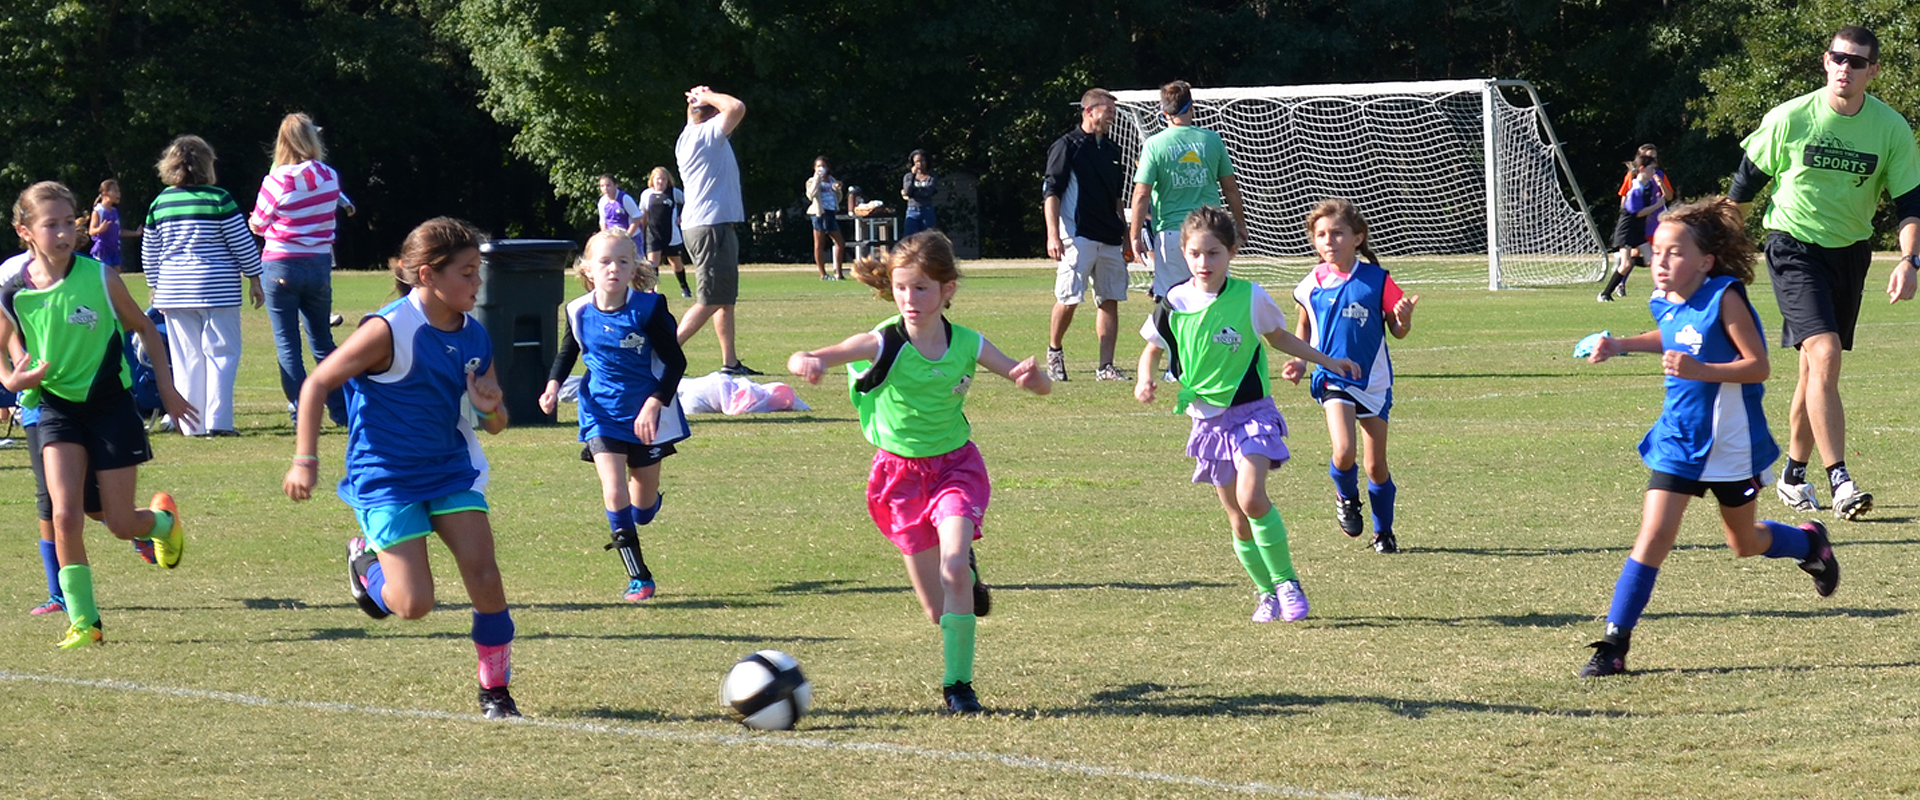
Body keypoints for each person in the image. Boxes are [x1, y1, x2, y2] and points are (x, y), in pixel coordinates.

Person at [786, 231, 1051, 714]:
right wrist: (806, 361)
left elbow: (1031, 381)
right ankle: (965, 576)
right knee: (938, 610)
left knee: (952, 571)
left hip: (955, 468)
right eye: (903, 287)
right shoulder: (882, 341)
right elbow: (814, 355)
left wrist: (1032, 378)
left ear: (948, 290)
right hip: (899, 479)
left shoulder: (968, 342)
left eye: (923, 288)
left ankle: (959, 687)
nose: (910, 299)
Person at [1576, 198, 1840, 678]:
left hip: (1732, 447)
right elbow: (1671, 333)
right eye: (1656, 252)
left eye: (1674, 253)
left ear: (1706, 261)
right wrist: (1621, 344)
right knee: (1652, 537)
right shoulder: (1664, 299)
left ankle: (1809, 545)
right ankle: (1613, 645)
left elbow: (1757, 365)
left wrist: (1702, 370)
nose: (1660, 262)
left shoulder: (1725, 297)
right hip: (1679, 441)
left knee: (1743, 542)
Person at [282, 217, 521, 719]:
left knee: (485, 575)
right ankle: (365, 565)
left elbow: (496, 422)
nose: (477, 284)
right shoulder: (388, 329)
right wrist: (305, 459)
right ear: (427, 276)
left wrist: (491, 407)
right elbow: (316, 384)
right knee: (414, 605)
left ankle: (495, 692)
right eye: (467, 273)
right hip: (386, 478)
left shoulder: (475, 335)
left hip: (452, 469)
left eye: (478, 272)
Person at [1730, 25, 1920, 521]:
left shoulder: (1891, 128)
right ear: (1825, 61)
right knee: (1825, 351)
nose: (1845, 68)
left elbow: (1909, 206)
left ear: (1873, 71)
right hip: (1794, 247)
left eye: (1857, 62)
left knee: (1814, 370)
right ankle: (1841, 479)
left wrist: (1909, 260)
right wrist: (1716, 254)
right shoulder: (1791, 117)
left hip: (1850, 252)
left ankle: (1793, 475)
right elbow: (1743, 189)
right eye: (1838, 58)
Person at [1133, 206, 1359, 624]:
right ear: (1184, 253)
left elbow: (1279, 337)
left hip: (1252, 413)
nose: (1205, 263)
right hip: (1207, 423)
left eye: (1214, 253)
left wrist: (1328, 360)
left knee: (1252, 498)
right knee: (1238, 520)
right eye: (1197, 254)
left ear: (1232, 253)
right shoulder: (1174, 302)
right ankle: (1265, 592)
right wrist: (1144, 379)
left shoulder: (1250, 297)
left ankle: (1288, 582)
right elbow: (1152, 348)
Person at [0, 181, 194, 648]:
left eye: (70, 222)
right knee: (64, 515)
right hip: (54, 408)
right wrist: (12, 378)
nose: (65, 233)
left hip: (109, 406)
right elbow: (6, 342)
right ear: (24, 231)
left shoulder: (101, 278)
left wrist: (167, 390)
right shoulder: (13, 289)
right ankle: (85, 622)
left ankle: (162, 524)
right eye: (52, 225)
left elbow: (145, 327)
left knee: (120, 522)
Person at [538, 230, 689, 602]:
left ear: (633, 267)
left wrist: (655, 402)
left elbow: (675, 361)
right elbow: (568, 351)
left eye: (623, 261)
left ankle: (649, 503)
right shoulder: (578, 310)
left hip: (645, 416)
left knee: (642, 509)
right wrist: (554, 385)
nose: (614, 269)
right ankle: (639, 576)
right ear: (588, 269)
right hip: (600, 412)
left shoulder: (649, 308)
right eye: (605, 261)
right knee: (613, 488)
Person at [1280, 199, 1419, 554]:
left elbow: (1398, 331)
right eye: (1321, 235)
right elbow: (1303, 329)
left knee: (1376, 466)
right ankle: (1346, 496)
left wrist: (1403, 318)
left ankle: (1383, 531)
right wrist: (1298, 362)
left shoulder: (1377, 280)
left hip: (1373, 381)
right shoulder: (1309, 285)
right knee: (1343, 451)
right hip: (1332, 378)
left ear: (1357, 238)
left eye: (1337, 233)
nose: (1329, 241)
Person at [142, 134, 264, 437]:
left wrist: (154, 285)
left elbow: (150, 249)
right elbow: (241, 243)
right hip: (217, 286)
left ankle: (191, 424)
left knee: (186, 359)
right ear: (207, 164)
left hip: (173, 289)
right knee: (222, 353)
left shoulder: (160, 202)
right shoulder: (219, 198)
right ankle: (219, 422)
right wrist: (254, 277)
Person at [249, 113, 354, 428]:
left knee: (287, 343)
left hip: (281, 262)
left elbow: (258, 224)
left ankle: (302, 412)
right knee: (322, 341)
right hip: (319, 262)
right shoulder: (330, 176)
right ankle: (342, 410)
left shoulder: (277, 179)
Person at [1128, 80, 1248, 300]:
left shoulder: (1154, 145)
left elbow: (1141, 194)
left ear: (1164, 112)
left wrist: (1134, 235)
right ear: (1191, 107)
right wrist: (1240, 224)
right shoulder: (1212, 140)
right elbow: (1231, 188)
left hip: (1173, 234)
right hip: (1212, 231)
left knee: (1172, 302)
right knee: (1214, 298)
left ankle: (1171, 336)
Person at [1043, 88, 1131, 383]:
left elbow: (1118, 197)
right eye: (1108, 110)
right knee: (1068, 298)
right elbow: (1051, 193)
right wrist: (1053, 235)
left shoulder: (1113, 150)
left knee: (1109, 299)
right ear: (1089, 111)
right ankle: (1054, 353)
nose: (1113, 116)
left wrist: (1126, 232)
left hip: (1109, 236)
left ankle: (1106, 366)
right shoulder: (1067, 146)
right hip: (1077, 236)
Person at [674, 85, 759, 376]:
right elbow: (736, 107)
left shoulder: (688, 134)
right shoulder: (706, 135)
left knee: (724, 299)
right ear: (712, 116)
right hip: (710, 226)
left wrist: (697, 100)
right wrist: (708, 95)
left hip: (708, 224)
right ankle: (661, 353)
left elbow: (700, 114)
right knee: (710, 299)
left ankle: (730, 362)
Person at [1599, 155, 1669, 302]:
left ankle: (1661, 293)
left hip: (1638, 230)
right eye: (1651, 169)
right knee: (1625, 264)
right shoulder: (1635, 190)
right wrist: (1658, 204)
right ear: (1642, 169)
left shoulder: (1648, 185)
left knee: (1653, 260)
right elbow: (1638, 213)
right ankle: (1605, 294)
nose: (1654, 172)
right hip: (1626, 230)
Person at [638, 167, 692, 299]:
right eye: (658, 179)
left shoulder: (674, 193)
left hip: (671, 235)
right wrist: (641, 231)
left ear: (668, 180)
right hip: (653, 234)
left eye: (663, 179)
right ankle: (651, 290)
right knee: (652, 263)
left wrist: (682, 216)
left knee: (676, 263)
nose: (660, 182)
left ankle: (684, 287)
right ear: (652, 180)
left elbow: (689, 203)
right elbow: (643, 213)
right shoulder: (646, 194)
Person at [806, 156, 847, 280]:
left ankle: (839, 273)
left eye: (823, 166)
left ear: (828, 168)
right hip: (819, 214)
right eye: (818, 166)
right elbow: (811, 195)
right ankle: (823, 274)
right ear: (814, 168)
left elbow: (838, 199)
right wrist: (817, 179)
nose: (821, 168)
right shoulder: (811, 181)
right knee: (819, 244)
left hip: (830, 213)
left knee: (840, 242)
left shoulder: (832, 180)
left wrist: (838, 189)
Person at [87, 180, 123, 270]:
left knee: (116, 277)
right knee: (105, 276)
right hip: (103, 249)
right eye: (115, 191)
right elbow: (91, 231)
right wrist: (100, 229)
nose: (119, 194)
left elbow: (118, 231)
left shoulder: (114, 211)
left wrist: (135, 233)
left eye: (119, 191)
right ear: (105, 193)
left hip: (114, 248)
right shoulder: (98, 211)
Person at [901, 150, 938, 237]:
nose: (920, 164)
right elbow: (907, 191)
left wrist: (914, 192)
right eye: (917, 161)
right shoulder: (908, 177)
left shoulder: (931, 177)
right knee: (909, 237)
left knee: (928, 237)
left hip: (927, 210)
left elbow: (928, 192)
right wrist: (913, 176)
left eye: (922, 161)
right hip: (912, 210)